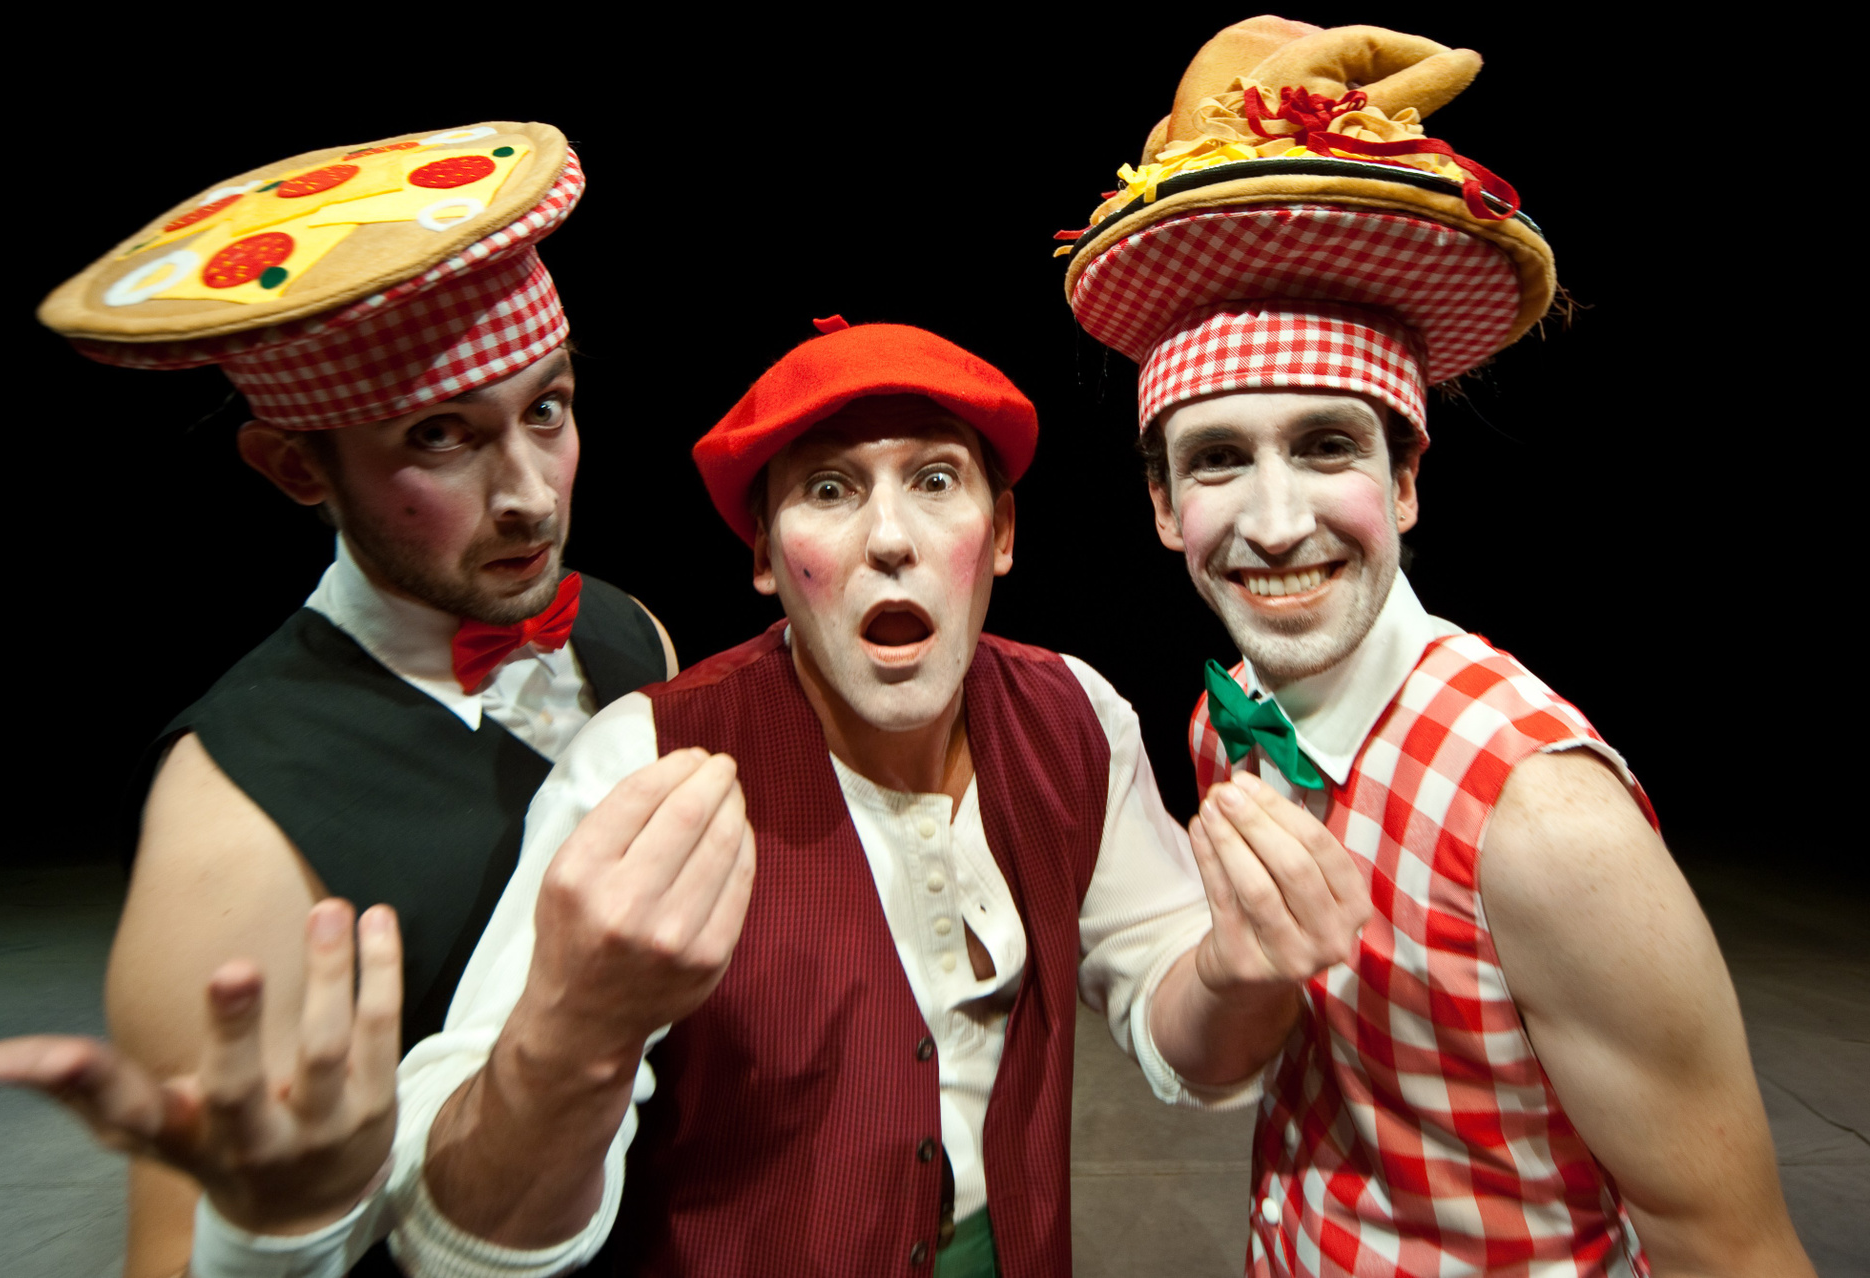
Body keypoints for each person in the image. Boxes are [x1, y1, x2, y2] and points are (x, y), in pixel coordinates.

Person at [340, 316, 1373, 1277]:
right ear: (764, 555)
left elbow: (1182, 1024)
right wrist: (576, 1036)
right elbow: (457, 1230)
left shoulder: (1076, 717)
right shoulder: (640, 762)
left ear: (1001, 534)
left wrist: (1243, 972)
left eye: (935, 480)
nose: (889, 538)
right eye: (830, 490)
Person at [1052, 16, 1814, 1277]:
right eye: (1219, 459)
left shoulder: (1546, 821)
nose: (1276, 521)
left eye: (1327, 447)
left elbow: (1728, 1245)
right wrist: (1241, 972)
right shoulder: (1227, 720)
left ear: (1405, 480)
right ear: (1163, 506)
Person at [0, 121, 675, 1278]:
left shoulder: (626, 631)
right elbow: (179, 1255)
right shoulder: (231, 818)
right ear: (297, 468)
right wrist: (276, 1227)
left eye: (546, 410)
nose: (531, 497)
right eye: (441, 437)